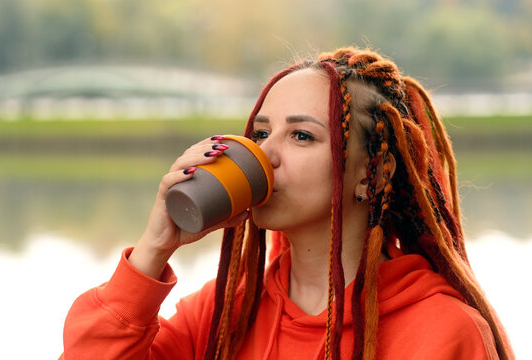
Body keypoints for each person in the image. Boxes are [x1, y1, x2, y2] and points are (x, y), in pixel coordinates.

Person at [60, 47, 513, 360]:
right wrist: (154, 248)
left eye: (301, 135)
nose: (265, 155)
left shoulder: (441, 331)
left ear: (373, 173)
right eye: (260, 133)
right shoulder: (223, 313)